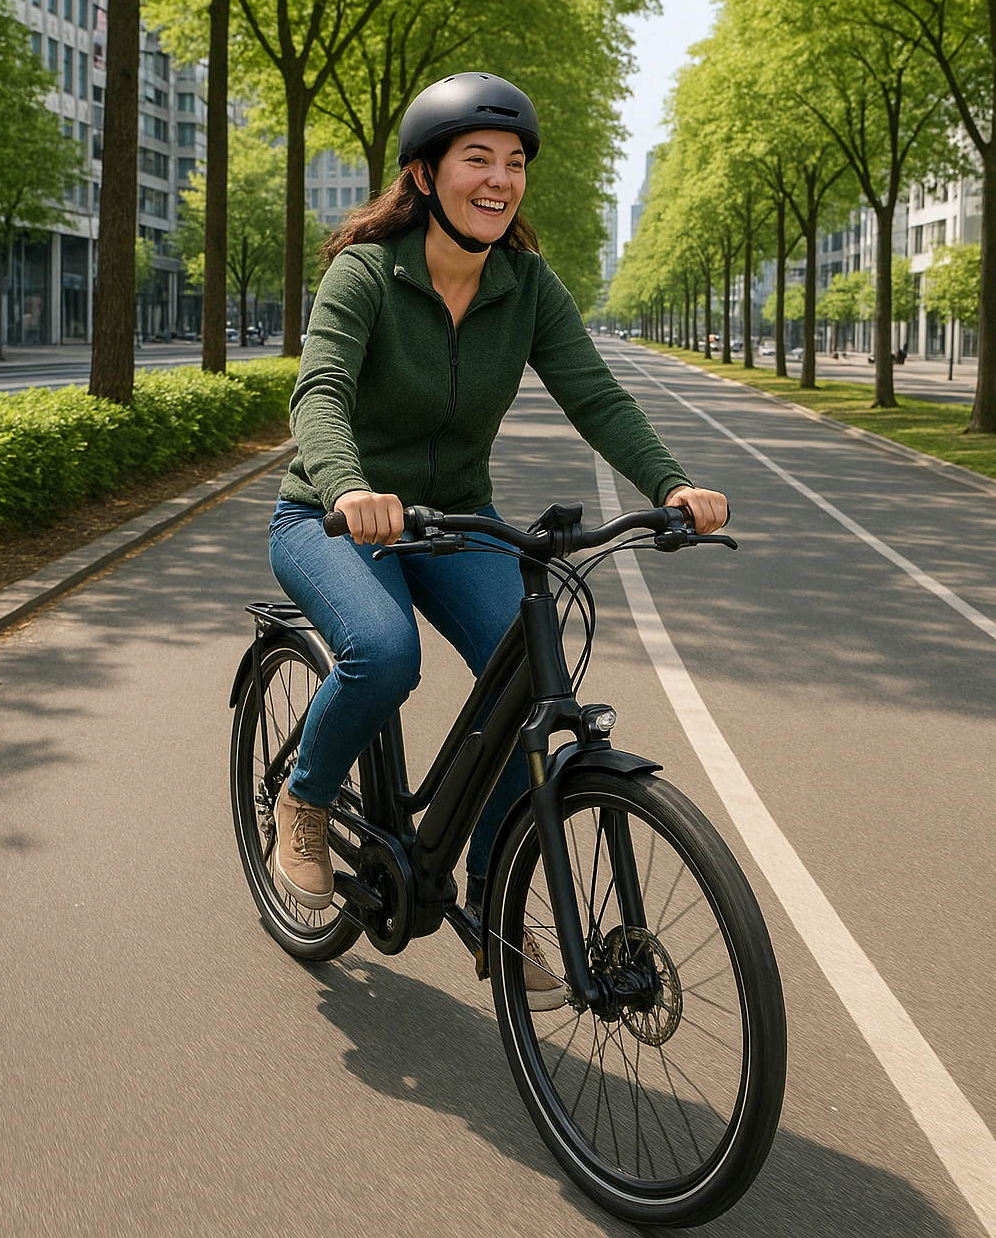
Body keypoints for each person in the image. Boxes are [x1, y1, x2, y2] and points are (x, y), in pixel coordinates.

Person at [268, 72, 728, 1007]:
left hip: (452, 525)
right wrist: (351, 488)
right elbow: (319, 394)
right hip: (328, 516)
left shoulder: (524, 284)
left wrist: (671, 482)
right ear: (425, 175)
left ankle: (495, 899)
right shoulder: (366, 272)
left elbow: (594, 393)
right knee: (383, 651)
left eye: (513, 163)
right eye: (476, 158)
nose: (499, 178)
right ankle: (306, 800)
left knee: (534, 689)